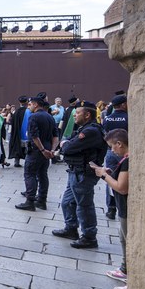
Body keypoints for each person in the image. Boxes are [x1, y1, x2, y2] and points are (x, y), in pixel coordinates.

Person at [51, 101, 108, 249]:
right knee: (67, 202)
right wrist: (66, 144)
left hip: (83, 174)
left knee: (84, 206)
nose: (75, 116)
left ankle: (89, 237)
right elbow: (69, 142)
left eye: (77, 113)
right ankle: (71, 228)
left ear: (87, 115)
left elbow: (69, 147)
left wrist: (65, 145)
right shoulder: (85, 128)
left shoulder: (91, 131)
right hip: (75, 172)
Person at [91, 129, 129, 289]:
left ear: (120, 144)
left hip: (126, 207)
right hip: (123, 207)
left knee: (129, 241)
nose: (112, 150)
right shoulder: (125, 159)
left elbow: (121, 187)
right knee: (123, 238)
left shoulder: (127, 160)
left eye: (113, 147)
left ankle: (133, 281)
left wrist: (103, 175)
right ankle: (126, 270)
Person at [15, 97, 58, 211]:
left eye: (30, 104)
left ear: (35, 104)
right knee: (43, 175)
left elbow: (34, 136)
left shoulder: (33, 117)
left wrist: (42, 150)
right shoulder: (50, 117)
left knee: (30, 174)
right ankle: (42, 200)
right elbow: (55, 136)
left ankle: (30, 201)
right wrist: (52, 150)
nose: (28, 106)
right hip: (47, 150)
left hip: (36, 151)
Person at [102, 94, 128, 220]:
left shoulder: (107, 118)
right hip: (125, 151)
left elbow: (105, 133)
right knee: (125, 176)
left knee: (110, 177)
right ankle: (122, 206)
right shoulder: (129, 118)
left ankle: (111, 208)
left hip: (111, 150)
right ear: (123, 104)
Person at [8, 96, 30, 167]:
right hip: (26, 133)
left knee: (17, 146)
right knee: (27, 147)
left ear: (20, 102)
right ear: (27, 102)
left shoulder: (16, 112)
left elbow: (12, 122)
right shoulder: (28, 111)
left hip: (17, 133)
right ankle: (27, 161)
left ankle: (16, 162)